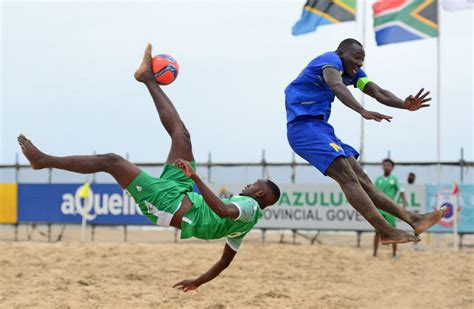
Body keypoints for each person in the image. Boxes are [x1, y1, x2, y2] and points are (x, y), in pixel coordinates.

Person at [18, 43, 281, 292]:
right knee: (182, 136)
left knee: (112, 161)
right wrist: (198, 282)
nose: (249, 184)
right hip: (182, 192)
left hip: (168, 203)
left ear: (260, 194)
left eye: (254, 184)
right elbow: (224, 262)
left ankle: (43, 161)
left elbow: (222, 210)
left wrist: (196, 177)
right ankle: (148, 78)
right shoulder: (247, 223)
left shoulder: (248, 207)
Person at [284, 38, 446, 244]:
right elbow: (335, 85)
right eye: (356, 58)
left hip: (321, 128)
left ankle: (414, 220)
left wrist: (404, 104)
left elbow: (378, 92)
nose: (359, 64)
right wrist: (361, 110)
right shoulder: (330, 60)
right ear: (341, 53)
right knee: (348, 178)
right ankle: (385, 230)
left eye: (362, 60)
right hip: (303, 128)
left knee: (363, 180)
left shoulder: (353, 74)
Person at [373, 159, 408, 257]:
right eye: (385, 165)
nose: (386, 167)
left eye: (388, 165)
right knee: (377, 230)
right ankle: (375, 253)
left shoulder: (395, 179)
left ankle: (394, 253)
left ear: (392, 167)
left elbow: (402, 190)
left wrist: (404, 203)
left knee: (392, 230)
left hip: (390, 209)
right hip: (379, 207)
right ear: (382, 166)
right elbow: (373, 192)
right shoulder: (378, 179)